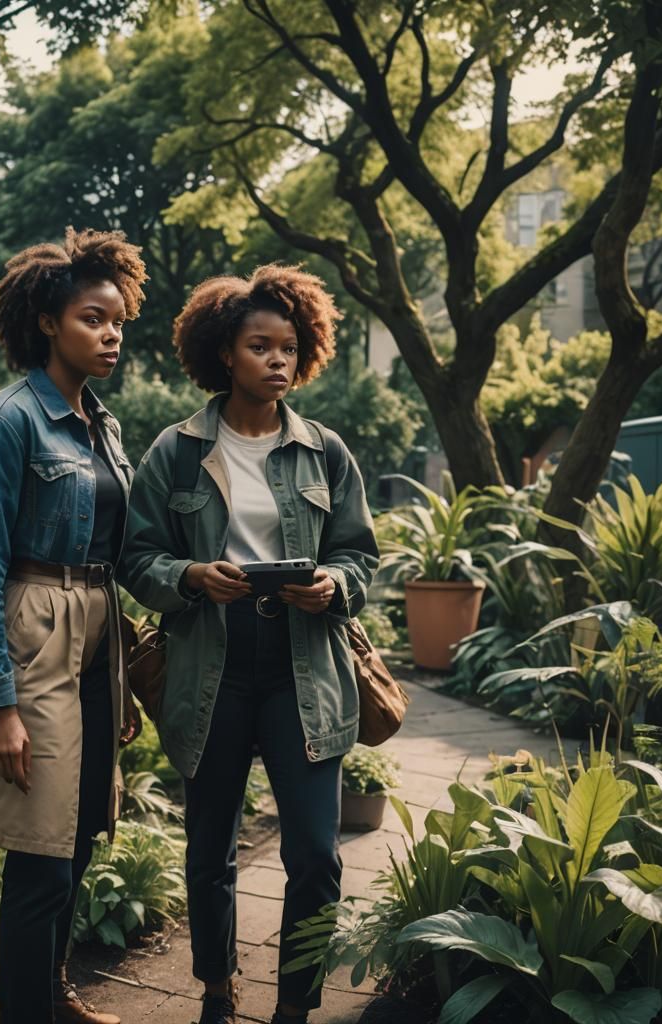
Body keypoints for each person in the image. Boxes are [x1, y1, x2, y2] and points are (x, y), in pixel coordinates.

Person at [120, 266, 379, 1024]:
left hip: (305, 669)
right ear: (224, 353)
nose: (277, 360)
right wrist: (192, 575)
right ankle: (216, 989)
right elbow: (136, 558)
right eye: (260, 346)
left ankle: (296, 1005)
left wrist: (333, 583)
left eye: (289, 348)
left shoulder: (325, 451)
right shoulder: (176, 450)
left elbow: (360, 553)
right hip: (213, 666)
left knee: (317, 855)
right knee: (210, 852)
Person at [0, 228, 146, 1024]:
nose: (111, 335)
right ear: (47, 323)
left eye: (118, 321)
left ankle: (54, 997)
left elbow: (115, 551)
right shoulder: (7, 423)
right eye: (94, 319)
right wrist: (0, 704)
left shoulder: (103, 425)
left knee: (84, 829)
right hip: (34, 635)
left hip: (96, 634)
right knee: (41, 856)